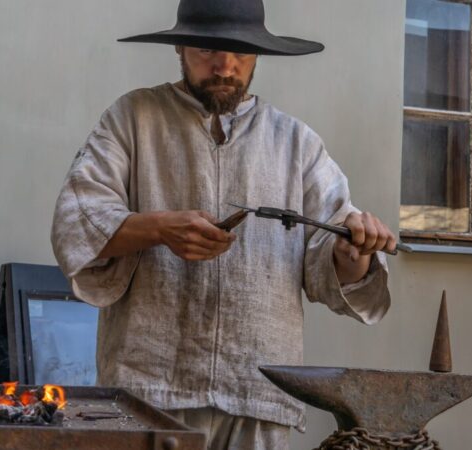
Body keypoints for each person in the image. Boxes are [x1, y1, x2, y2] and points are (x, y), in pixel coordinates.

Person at [50, 0, 394, 448]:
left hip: (259, 394)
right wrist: (158, 228)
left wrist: (352, 256)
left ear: (258, 53)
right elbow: (77, 222)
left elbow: (334, 263)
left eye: (241, 51)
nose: (224, 65)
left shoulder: (297, 145)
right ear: (179, 46)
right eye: (207, 49)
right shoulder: (133, 118)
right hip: (149, 392)